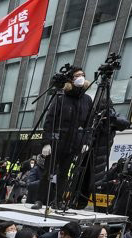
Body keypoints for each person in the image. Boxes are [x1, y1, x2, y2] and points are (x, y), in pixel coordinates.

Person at [40, 66, 93, 210]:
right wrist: (46, 142)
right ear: (71, 79)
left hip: (73, 143)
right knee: (48, 172)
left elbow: (89, 123)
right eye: (77, 75)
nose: (81, 77)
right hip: (57, 141)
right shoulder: (61, 97)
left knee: (64, 173)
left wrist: (86, 142)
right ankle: (41, 200)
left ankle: (58, 200)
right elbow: (49, 121)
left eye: (82, 75)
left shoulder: (87, 100)